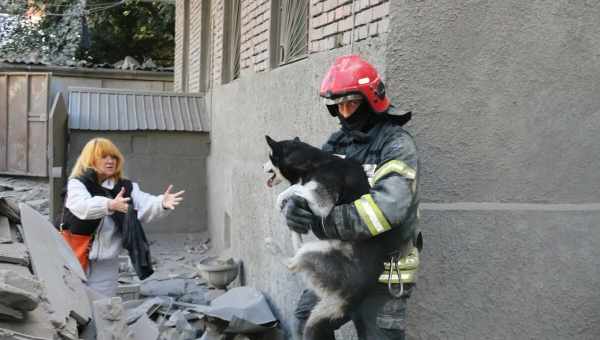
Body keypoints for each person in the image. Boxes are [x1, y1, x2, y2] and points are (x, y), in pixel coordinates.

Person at [284, 55, 422, 340]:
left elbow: (388, 208)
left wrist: (323, 221)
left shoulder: (397, 144)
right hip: (343, 263)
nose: (345, 113)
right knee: (308, 321)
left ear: (371, 100)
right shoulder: (337, 143)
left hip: (385, 269)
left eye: (352, 104)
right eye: (339, 106)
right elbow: (309, 186)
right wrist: (294, 207)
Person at [61, 137, 184, 297]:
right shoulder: (78, 184)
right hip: (75, 255)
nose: (110, 161)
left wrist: (162, 203)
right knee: (73, 302)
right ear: (90, 159)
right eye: (104, 156)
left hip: (106, 262)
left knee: (102, 306)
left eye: (114, 157)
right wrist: (109, 205)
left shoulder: (125, 187)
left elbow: (145, 205)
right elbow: (82, 206)